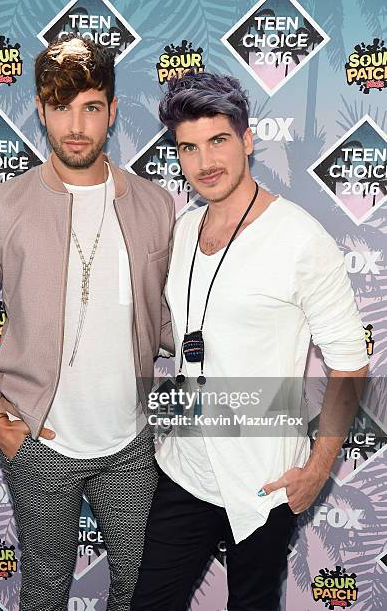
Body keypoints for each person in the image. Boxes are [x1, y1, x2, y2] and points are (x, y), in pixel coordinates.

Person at [0, 35, 175, 611]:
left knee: (138, 593)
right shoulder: (3, 207)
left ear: (112, 111)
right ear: (42, 110)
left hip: (133, 442)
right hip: (41, 442)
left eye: (91, 107)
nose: (76, 125)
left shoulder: (155, 204)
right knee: (45, 594)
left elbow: (170, 318)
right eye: (61, 107)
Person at [130, 72, 369, 611]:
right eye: (188, 147)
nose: (205, 162)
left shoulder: (301, 239)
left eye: (218, 140)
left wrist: (316, 471)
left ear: (247, 139)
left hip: (265, 483)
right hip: (184, 468)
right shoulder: (186, 227)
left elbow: (350, 366)